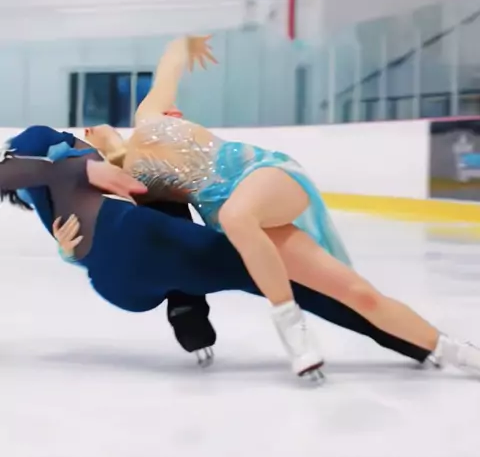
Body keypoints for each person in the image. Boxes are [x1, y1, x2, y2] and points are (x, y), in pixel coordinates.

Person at [83, 36, 479, 382]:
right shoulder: (127, 185)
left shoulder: (148, 115)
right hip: (239, 221)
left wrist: (188, 43)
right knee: (359, 296)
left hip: (263, 174)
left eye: (94, 125)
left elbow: (170, 63)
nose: (91, 129)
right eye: (85, 134)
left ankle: (293, 330)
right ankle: (458, 352)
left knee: (238, 216)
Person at [3, 124, 477, 385]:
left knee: (172, 223)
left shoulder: (52, 191)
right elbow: (127, 185)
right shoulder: (63, 158)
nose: (86, 133)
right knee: (274, 273)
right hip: (149, 240)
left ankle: (185, 303)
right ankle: (412, 341)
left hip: (116, 285)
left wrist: (68, 250)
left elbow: (76, 245)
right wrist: (87, 167)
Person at [7, 123, 216, 365]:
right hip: (129, 258)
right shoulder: (47, 165)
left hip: (126, 272)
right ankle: (187, 307)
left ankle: (187, 308)